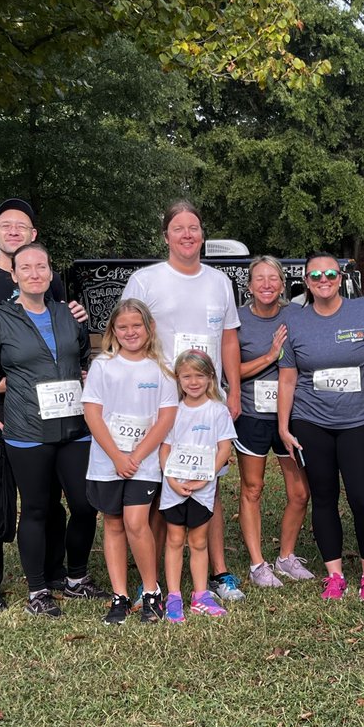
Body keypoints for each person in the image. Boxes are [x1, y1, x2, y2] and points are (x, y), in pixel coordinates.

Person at [0, 198, 88, 612]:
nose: (13, 230)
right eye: (5, 225)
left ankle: (59, 572)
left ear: (34, 235)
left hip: (63, 418)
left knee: (64, 500)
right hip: (3, 411)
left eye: (21, 225)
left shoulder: (54, 288)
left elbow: (68, 348)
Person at [121, 200, 244, 601]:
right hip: (158, 399)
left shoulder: (219, 282)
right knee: (158, 487)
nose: (187, 234)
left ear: (202, 235)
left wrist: (235, 391)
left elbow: (228, 338)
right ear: (166, 236)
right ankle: (152, 579)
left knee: (208, 481)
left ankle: (218, 573)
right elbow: (129, 332)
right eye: (179, 228)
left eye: (194, 227)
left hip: (207, 400)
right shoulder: (146, 280)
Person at [0, 243, 101, 617]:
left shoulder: (69, 315)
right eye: (26, 267)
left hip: (75, 428)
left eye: (42, 266)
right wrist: (28, 381)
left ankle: (76, 579)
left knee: (84, 504)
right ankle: (38, 591)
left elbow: (82, 358)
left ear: (50, 273)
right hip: (27, 430)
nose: (35, 273)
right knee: (34, 509)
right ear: (14, 275)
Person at [277, 253, 364, 601]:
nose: (322, 279)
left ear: (339, 278)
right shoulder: (295, 321)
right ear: (306, 283)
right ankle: (335, 575)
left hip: (358, 421)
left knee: (362, 499)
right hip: (312, 422)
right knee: (323, 499)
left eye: (329, 273)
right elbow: (287, 379)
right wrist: (283, 426)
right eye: (315, 275)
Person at [82, 299, 178, 624]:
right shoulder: (103, 366)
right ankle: (119, 595)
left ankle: (151, 592)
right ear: (113, 331)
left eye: (136, 325)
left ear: (149, 328)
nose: (130, 332)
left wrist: (135, 456)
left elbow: (166, 418)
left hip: (144, 463)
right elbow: (92, 414)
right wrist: (116, 456)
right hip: (107, 461)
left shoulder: (161, 368)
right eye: (122, 327)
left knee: (136, 523)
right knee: (112, 523)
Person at [234, 256, 312, 588]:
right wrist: (269, 356)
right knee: (253, 488)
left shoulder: (297, 315)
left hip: (290, 416)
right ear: (249, 286)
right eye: (259, 279)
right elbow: (230, 372)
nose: (266, 284)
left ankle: (286, 557)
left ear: (283, 284)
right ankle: (257, 564)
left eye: (273, 278)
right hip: (251, 415)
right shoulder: (236, 321)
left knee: (300, 492)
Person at [159, 350, 237, 622]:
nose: (193, 382)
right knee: (175, 540)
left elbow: (224, 448)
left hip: (203, 490)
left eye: (199, 376)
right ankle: (173, 597)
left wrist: (205, 478)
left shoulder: (217, 410)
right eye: (186, 376)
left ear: (210, 378)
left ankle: (201, 595)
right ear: (178, 379)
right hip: (174, 488)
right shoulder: (172, 411)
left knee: (199, 541)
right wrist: (171, 479)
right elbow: (165, 447)